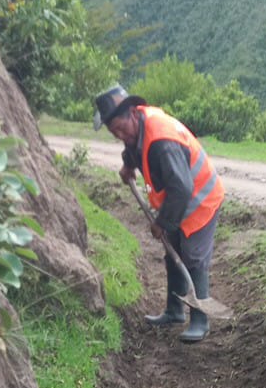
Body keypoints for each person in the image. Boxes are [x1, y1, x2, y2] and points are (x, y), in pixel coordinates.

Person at [93, 85, 224, 343]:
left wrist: (162, 223)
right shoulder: (137, 128)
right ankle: (174, 312)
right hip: (177, 200)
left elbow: (182, 188)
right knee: (172, 252)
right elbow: (133, 147)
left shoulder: (163, 142)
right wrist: (128, 166)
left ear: (133, 113)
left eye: (120, 128)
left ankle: (200, 320)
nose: (119, 135)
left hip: (201, 199)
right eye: (113, 132)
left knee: (193, 257)